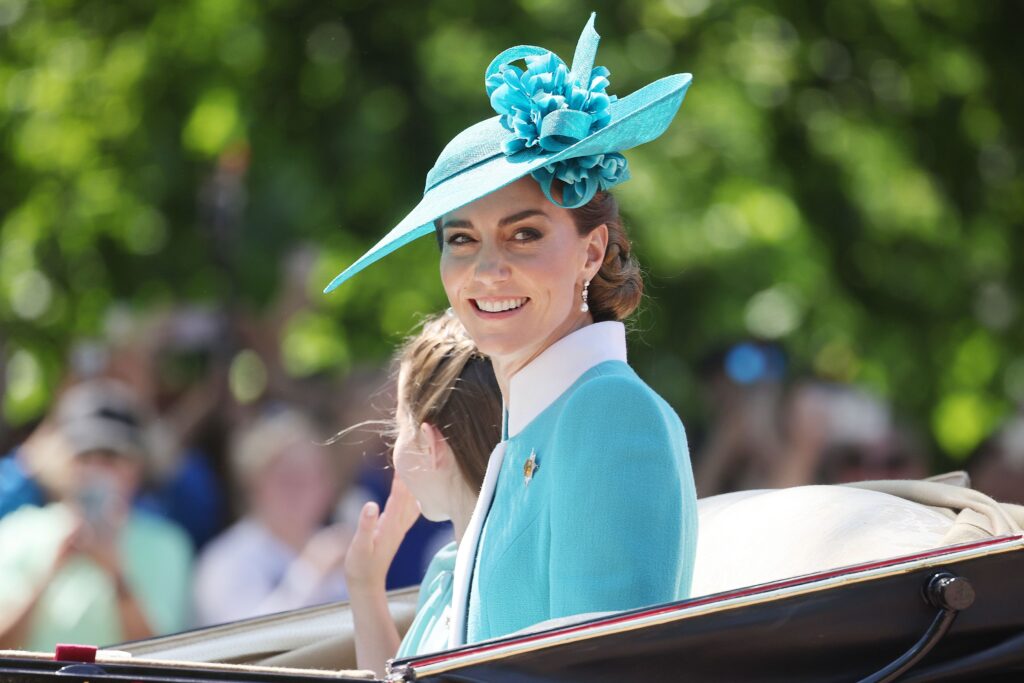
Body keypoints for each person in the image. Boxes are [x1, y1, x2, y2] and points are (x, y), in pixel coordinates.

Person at [324, 14, 698, 646]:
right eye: (461, 240)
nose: (487, 271)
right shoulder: (527, 427)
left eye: (525, 234)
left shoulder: (608, 412)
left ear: (590, 251)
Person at [344, 312, 502, 676]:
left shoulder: (468, 573)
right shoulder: (449, 564)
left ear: (431, 445)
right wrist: (366, 584)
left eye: (399, 425)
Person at [0, 380, 192, 651]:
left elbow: (164, 659)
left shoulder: (167, 544)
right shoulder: (17, 532)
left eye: (110, 457)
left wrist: (116, 575)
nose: (96, 470)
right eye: (85, 456)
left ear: (137, 467)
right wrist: (50, 569)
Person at [192, 409, 350, 626]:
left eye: (314, 474)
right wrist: (311, 573)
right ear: (254, 484)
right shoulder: (225, 561)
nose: (301, 487)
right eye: (287, 476)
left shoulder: (341, 549)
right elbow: (246, 641)